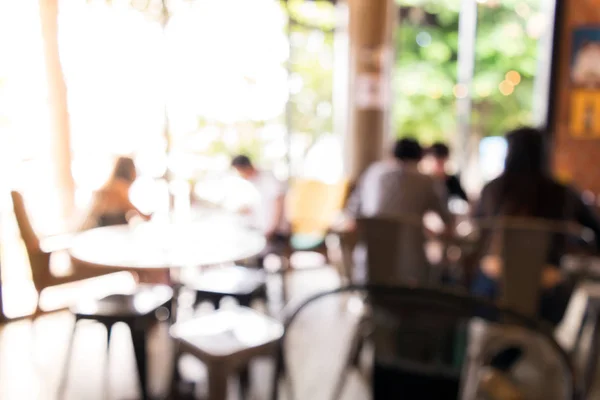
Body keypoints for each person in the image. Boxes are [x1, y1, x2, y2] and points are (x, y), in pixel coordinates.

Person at [472, 127, 600, 325]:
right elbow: (595, 229)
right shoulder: (562, 192)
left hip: (492, 292)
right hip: (547, 298)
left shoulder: (492, 189)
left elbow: (476, 231)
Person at [345, 138, 453, 283]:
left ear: (391, 154)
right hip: (412, 273)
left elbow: (352, 213)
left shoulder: (372, 174)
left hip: (367, 269)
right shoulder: (426, 181)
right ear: (420, 157)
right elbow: (446, 220)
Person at [231, 155, 289, 265]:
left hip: (276, 232)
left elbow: (278, 202)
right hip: (262, 231)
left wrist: (272, 228)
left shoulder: (268, 179)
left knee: (254, 258)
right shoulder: (252, 183)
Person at [80, 157, 151, 230]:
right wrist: (148, 216)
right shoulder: (119, 187)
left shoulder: (110, 185)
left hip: (97, 229)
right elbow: (131, 208)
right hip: (108, 231)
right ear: (129, 169)